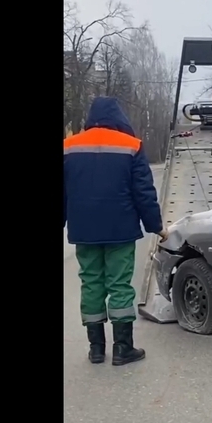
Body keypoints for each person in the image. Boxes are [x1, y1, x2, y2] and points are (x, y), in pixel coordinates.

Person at [64, 97, 167, 366]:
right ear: (119, 117)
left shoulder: (68, 147)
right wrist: (156, 227)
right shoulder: (131, 146)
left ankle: (96, 349)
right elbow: (144, 193)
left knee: (91, 284)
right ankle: (123, 349)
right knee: (120, 285)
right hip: (120, 229)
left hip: (84, 231)